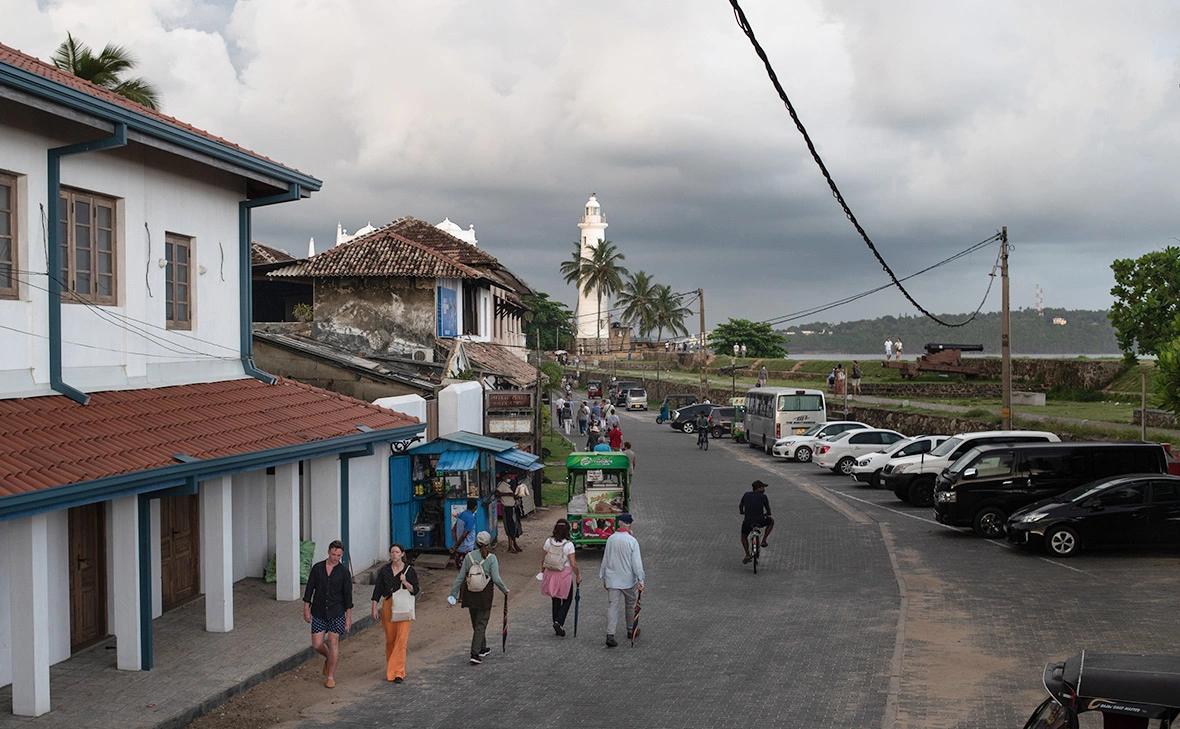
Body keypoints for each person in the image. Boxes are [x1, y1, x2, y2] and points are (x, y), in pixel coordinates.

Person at [449, 531, 509, 664]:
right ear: (488, 543)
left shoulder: (469, 556)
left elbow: (461, 577)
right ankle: (475, 653)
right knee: (481, 623)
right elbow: (496, 578)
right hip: (484, 594)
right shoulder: (491, 558)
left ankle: (482, 647)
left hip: (470, 593)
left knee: (476, 621)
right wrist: (505, 590)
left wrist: (453, 595)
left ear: (476, 542)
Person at [302, 540, 353, 688]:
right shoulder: (318, 568)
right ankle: (328, 657)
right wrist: (306, 608)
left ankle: (330, 676)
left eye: (338, 556)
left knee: (333, 641)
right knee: (317, 644)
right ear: (328, 552)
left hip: (337, 611)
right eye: (333, 554)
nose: (335, 558)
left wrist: (348, 617)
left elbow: (348, 596)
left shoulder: (344, 572)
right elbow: (310, 589)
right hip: (318, 610)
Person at [370, 543, 419, 683]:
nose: (394, 554)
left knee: (401, 639)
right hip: (389, 605)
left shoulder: (409, 571)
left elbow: (415, 590)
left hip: (403, 606)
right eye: (392, 552)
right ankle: (392, 667)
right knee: (390, 639)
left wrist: (405, 582)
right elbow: (378, 588)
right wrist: (374, 607)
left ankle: (398, 672)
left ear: (402, 554)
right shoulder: (385, 570)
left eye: (397, 552)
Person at [600, 513, 644, 647]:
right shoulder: (632, 541)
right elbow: (637, 563)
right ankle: (631, 629)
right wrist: (641, 579)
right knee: (630, 605)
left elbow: (606, 559)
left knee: (612, 606)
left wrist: (604, 576)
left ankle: (610, 634)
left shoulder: (611, 539)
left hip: (613, 579)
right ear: (629, 525)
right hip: (628, 580)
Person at [540, 519, 581, 636]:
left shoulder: (548, 542)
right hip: (564, 574)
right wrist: (578, 575)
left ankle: (556, 622)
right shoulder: (569, 545)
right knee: (567, 599)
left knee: (555, 599)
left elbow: (543, 559)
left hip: (550, 573)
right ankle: (559, 621)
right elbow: (573, 564)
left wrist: (542, 572)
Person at [740, 480, 775, 564]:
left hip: (748, 521)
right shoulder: (763, 496)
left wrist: (741, 512)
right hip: (760, 520)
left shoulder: (746, 494)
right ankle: (764, 540)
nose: (764, 489)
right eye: (762, 487)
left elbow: (740, 505)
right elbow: (768, 508)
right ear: (758, 488)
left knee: (744, 536)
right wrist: (768, 513)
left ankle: (747, 554)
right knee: (771, 521)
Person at [494, 476, 522, 553]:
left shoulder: (508, 485)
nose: (508, 477)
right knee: (510, 527)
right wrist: (508, 494)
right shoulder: (501, 485)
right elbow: (496, 493)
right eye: (507, 476)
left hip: (512, 507)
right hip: (507, 508)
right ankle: (511, 546)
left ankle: (513, 544)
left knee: (513, 527)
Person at [452, 498, 477, 568]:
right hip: (467, 549)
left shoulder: (461, 515)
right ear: (475, 507)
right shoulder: (470, 518)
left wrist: (456, 543)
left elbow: (453, 530)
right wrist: (456, 545)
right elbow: (464, 535)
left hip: (459, 550)